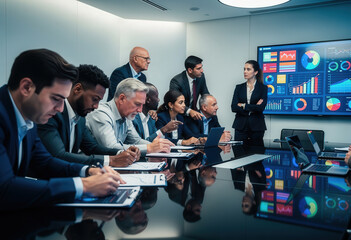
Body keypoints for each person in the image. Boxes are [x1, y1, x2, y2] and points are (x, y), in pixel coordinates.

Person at [0, 49, 124, 210]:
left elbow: (46, 162)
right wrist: (82, 186)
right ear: (26, 87)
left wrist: (88, 171)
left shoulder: (28, 117)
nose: (60, 109)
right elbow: (4, 188)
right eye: (56, 99)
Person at [37, 64, 140, 167]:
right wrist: (110, 160)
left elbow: (92, 148)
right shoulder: (52, 114)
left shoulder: (80, 118)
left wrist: (121, 153)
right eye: (94, 99)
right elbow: (59, 155)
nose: (96, 106)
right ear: (77, 89)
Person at [86, 78, 173, 155]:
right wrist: (149, 148)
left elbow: (136, 141)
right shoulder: (101, 113)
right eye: (137, 104)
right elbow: (110, 147)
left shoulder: (126, 115)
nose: (139, 110)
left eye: (142, 105)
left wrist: (158, 145)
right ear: (122, 99)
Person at [231, 60, 268, 146]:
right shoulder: (239, 87)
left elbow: (260, 108)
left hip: (257, 126)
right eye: (244, 69)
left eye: (248, 69)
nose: (245, 72)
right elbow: (233, 107)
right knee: (239, 155)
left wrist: (243, 105)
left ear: (255, 72)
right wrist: (253, 107)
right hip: (240, 126)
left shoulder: (263, 88)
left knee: (256, 154)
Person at [170, 55, 209, 120]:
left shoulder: (201, 77)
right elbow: (175, 102)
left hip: (194, 113)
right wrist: (189, 111)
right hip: (179, 115)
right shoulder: (176, 81)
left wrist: (210, 105)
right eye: (198, 69)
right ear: (190, 70)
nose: (202, 71)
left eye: (201, 67)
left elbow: (205, 94)